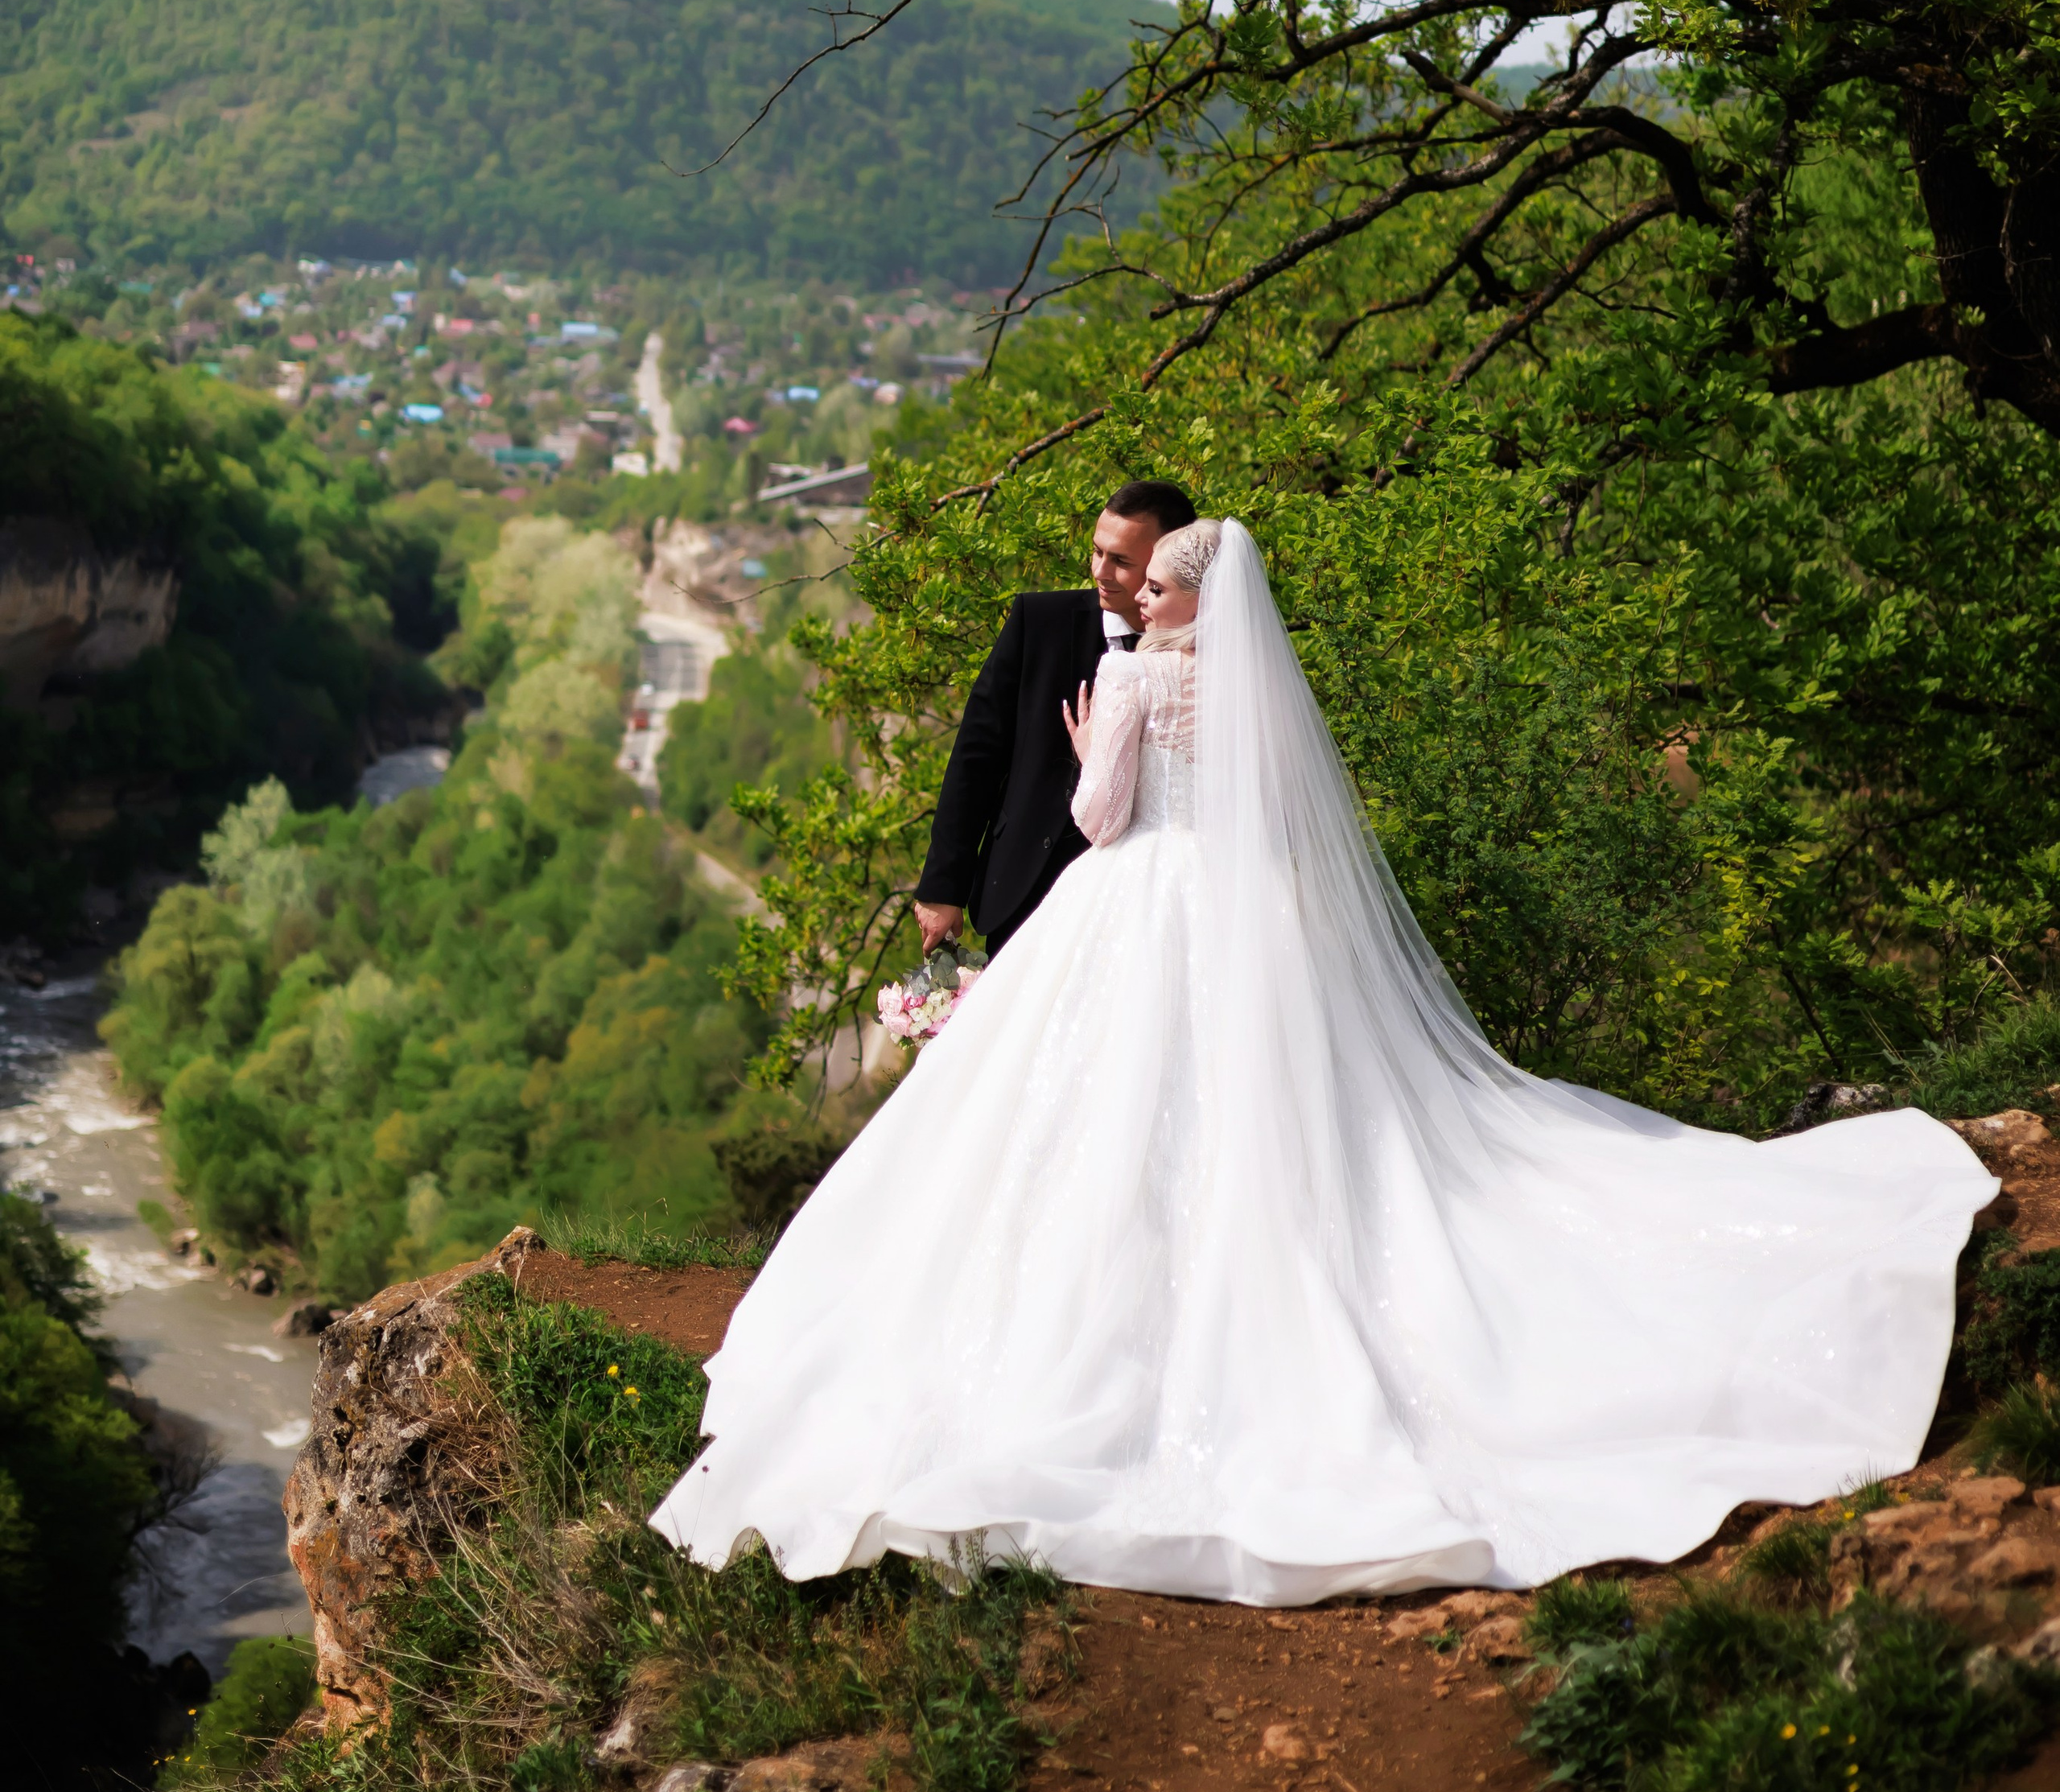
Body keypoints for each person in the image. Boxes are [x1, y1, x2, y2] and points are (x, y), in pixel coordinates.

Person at [650, 519, 1993, 1605]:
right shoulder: (1247, 688)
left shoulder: (1133, 678)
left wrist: (1088, 749)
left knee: (1105, 1119)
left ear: (1181, 596)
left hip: (1134, 904)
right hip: (1244, 915)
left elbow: (1101, 820)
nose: (1132, 595)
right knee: (1259, 1105)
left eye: (1149, 582)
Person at [910, 476, 1196, 959]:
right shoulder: (1038, 623)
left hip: (1148, 905)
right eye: (1096, 552)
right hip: (1025, 886)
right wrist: (943, 886)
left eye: (1122, 561)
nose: (1100, 571)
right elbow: (977, 756)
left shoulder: (1208, 658)